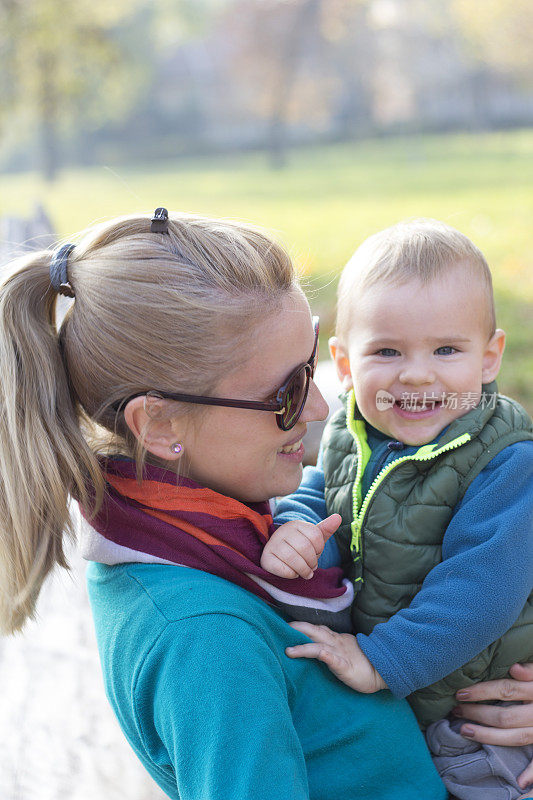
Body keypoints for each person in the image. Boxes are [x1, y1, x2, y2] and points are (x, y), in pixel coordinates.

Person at [0, 209, 448, 799]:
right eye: (286, 391)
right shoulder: (204, 637)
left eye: (312, 367)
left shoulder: (217, 534)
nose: (317, 409)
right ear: (159, 423)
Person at [262, 219, 533, 799]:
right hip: (418, 703)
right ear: (345, 362)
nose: (416, 372)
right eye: (387, 350)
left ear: (489, 358)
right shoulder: (347, 434)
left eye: (446, 349)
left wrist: (379, 659)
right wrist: (296, 524)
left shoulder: (505, 464)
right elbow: (325, 489)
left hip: (487, 723)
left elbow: (483, 588)